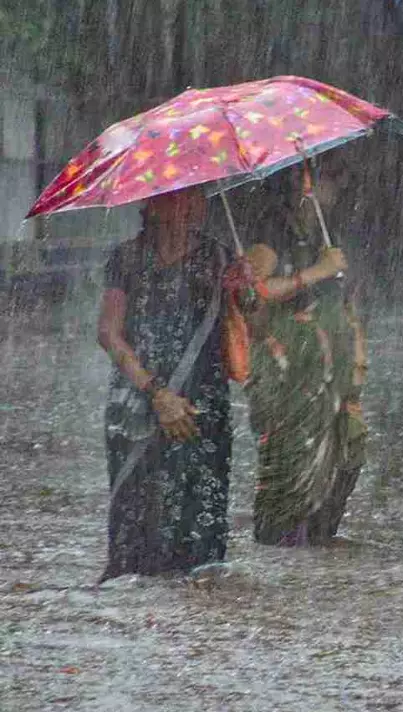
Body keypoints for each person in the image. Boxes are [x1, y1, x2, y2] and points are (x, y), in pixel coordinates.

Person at [97, 187, 233, 581]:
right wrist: (156, 393)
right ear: (151, 205)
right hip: (138, 406)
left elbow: (245, 338)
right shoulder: (126, 257)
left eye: (197, 197)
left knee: (199, 543)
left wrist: (247, 291)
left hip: (201, 410)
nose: (190, 208)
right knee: (135, 528)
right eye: (179, 198)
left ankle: (195, 631)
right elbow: (108, 333)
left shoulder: (220, 258)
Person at [240, 169, 368, 547]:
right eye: (325, 176)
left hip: (334, 371)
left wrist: (359, 353)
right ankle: (283, 548)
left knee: (349, 452)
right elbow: (256, 294)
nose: (335, 185)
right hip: (291, 375)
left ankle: (320, 545)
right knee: (294, 466)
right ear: (300, 186)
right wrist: (315, 272)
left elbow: (347, 302)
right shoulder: (271, 233)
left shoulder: (329, 235)